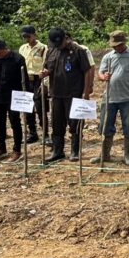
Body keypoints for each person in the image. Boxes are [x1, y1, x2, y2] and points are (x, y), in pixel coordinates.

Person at [41, 28, 94, 163]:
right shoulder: (51, 51)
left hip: (74, 93)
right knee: (57, 123)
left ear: (65, 38)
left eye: (60, 43)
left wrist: (86, 92)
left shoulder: (78, 51)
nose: (58, 46)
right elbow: (48, 68)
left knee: (75, 123)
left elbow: (87, 71)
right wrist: (45, 73)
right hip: (56, 93)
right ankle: (58, 151)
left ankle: (75, 151)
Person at [95, 30, 129, 166]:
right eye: (114, 45)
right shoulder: (108, 57)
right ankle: (104, 154)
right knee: (105, 126)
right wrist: (103, 77)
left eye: (118, 45)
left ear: (124, 42)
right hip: (109, 98)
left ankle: (127, 154)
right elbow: (100, 74)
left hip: (128, 98)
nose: (116, 47)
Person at [18, 25, 46, 144]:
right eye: (24, 36)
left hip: (38, 79)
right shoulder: (22, 48)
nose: (26, 39)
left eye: (28, 36)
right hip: (25, 79)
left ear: (34, 35)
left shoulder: (43, 48)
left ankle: (45, 133)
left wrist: (44, 83)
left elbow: (46, 65)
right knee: (27, 107)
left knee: (40, 106)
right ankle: (32, 132)